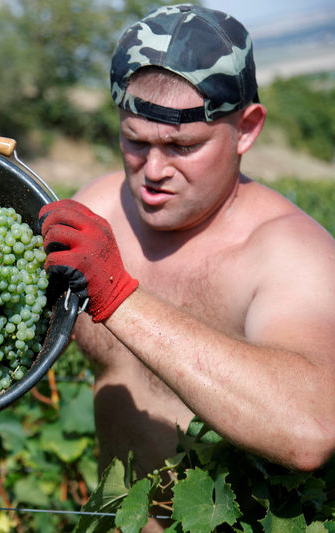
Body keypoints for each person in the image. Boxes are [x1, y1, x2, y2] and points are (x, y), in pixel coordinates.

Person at [39, 1, 335, 514]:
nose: (153, 170)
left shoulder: (289, 251)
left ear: (246, 129)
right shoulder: (100, 210)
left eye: (183, 146)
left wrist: (117, 295)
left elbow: (309, 428)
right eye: (135, 141)